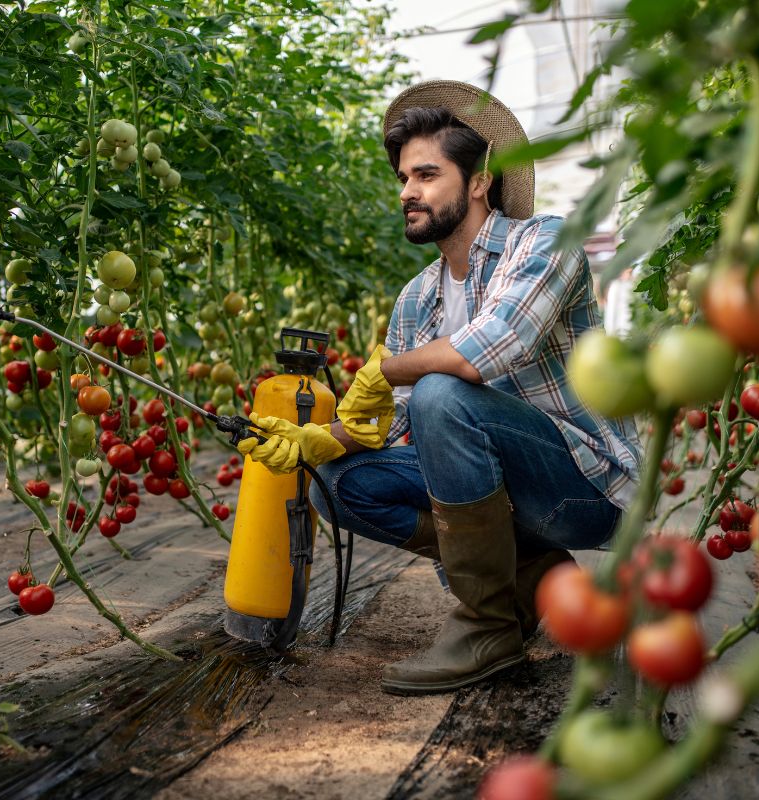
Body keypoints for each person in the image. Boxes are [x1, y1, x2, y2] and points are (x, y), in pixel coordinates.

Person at [237, 80, 642, 695]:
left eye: (426, 175)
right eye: (404, 177)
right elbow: (396, 424)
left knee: (442, 394)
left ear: (479, 181)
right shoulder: (417, 297)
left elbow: (493, 347)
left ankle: (486, 627)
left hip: (582, 488)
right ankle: (524, 573)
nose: (407, 192)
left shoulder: (544, 241)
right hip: (501, 493)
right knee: (338, 486)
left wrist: (388, 370)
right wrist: (315, 441)